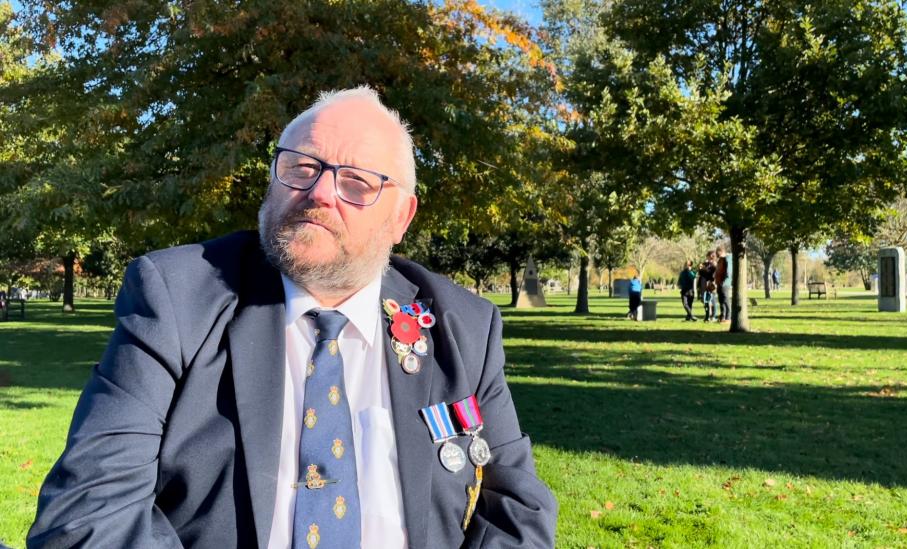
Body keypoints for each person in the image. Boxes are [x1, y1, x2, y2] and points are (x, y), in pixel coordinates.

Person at [28, 87, 557, 549]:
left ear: (401, 217)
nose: (321, 192)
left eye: (357, 182)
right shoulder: (178, 299)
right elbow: (86, 517)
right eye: (303, 167)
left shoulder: (462, 325)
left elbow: (518, 512)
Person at [698, 251, 717, 322]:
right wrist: (701, 268)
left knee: (712, 301)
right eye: (709, 256)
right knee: (705, 301)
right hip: (704, 285)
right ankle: (707, 315)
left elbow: (712, 274)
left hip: (711, 285)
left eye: (712, 256)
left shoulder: (715, 265)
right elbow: (701, 272)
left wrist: (704, 269)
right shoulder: (704, 264)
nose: (711, 258)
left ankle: (713, 316)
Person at [714, 246, 732, 323]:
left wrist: (723, 281)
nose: (716, 255)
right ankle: (722, 316)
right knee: (721, 300)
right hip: (719, 283)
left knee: (726, 300)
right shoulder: (720, 260)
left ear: (721, 252)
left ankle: (728, 318)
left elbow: (728, 272)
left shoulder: (727, 259)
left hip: (725, 283)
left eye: (717, 253)